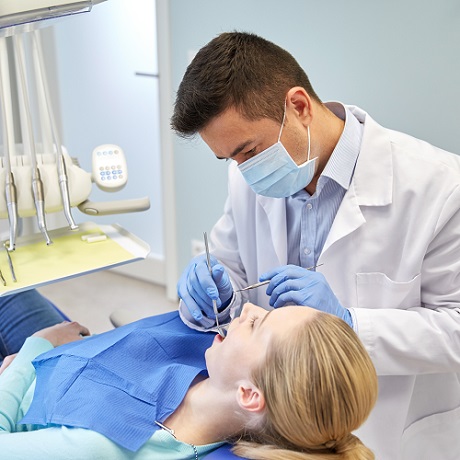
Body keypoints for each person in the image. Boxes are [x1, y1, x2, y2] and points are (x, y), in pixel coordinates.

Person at [171, 32, 460, 459]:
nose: (243, 170)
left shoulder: (440, 187)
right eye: (230, 158)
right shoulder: (247, 177)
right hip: (280, 428)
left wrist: (351, 324)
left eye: (249, 150)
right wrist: (215, 292)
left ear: (299, 106)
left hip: (393, 427)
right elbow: (231, 267)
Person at [0, 293, 377, 460]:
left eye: (257, 324)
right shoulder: (216, 369)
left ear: (249, 394)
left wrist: (35, 348)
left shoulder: (103, 447)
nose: (248, 308)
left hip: (22, 390)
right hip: (70, 354)